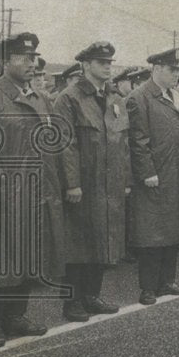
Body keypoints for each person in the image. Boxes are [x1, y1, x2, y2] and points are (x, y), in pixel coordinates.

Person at [0, 33, 62, 347]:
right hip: (4, 194)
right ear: (5, 62)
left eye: (33, 58)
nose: (31, 64)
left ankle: (16, 315)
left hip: (35, 193)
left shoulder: (40, 98)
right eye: (23, 58)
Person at [53, 41, 129, 321]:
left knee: (101, 239)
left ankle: (91, 296)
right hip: (83, 184)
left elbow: (124, 143)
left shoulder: (114, 97)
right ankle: (72, 303)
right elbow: (65, 143)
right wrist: (72, 182)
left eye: (109, 62)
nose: (108, 66)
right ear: (85, 66)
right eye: (101, 62)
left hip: (109, 183)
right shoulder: (69, 97)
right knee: (78, 244)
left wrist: (126, 178)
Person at [126, 47, 179, 305]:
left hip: (176, 173)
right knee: (151, 232)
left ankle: (167, 281)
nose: (176, 74)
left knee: (173, 228)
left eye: (178, 69)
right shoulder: (140, 97)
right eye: (171, 69)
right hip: (156, 175)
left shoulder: (176, 96)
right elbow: (137, 140)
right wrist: (147, 172)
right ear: (156, 69)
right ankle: (148, 287)